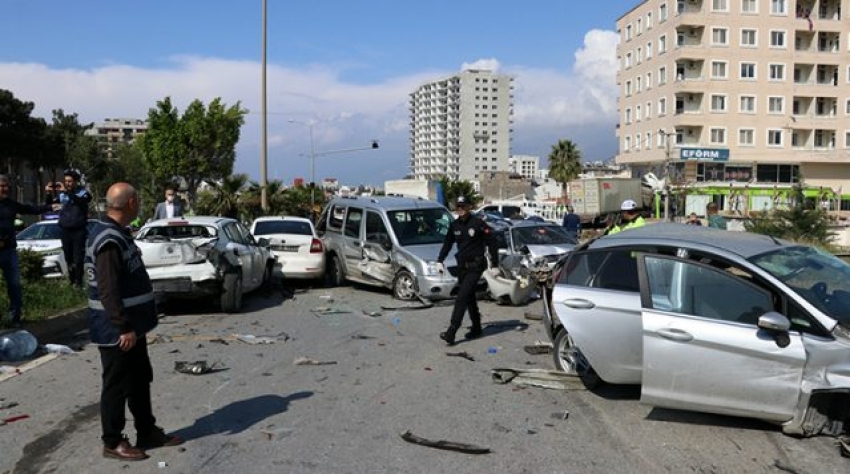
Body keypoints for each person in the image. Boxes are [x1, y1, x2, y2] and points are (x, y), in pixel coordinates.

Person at [85, 182, 183, 461]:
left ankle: (147, 430)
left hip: (133, 327)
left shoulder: (118, 233)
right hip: (117, 330)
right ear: (131, 204)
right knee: (116, 385)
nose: (139, 203)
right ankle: (112, 441)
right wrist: (123, 326)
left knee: (139, 379)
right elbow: (107, 289)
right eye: (137, 199)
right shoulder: (107, 239)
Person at [435, 196, 499, 345]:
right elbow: (448, 243)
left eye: (463, 206)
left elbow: (492, 241)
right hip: (462, 267)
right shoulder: (454, 225)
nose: (461, 209)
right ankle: (476, 327)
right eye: (458, 206)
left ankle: (452, 331)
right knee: (469, 297)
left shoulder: (477, 223)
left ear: (469, 207)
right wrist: (440, 260)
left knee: (461, 297)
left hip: (476, 266)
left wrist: (495, 264)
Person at [0, 175, 56, 327]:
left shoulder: (10, 205)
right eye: (1, 186)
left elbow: (30, 209)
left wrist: (49, 206)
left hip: (9, 250)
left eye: (6, 186)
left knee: (14, 284)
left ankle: (15, 317)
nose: (4, 189)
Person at [46, 169, 92, 286]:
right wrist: (48, 193)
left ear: (76, 182)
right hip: (65, 231)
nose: (67, 184)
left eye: (70, 181)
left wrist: (67, 193)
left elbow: (80, 201)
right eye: (66, 181)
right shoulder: (62, 195)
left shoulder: (83, 194)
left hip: (78, 231)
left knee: (78, 259)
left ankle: (78, 282)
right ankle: (72, 282)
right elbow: (49, 206)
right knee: (69, 259)